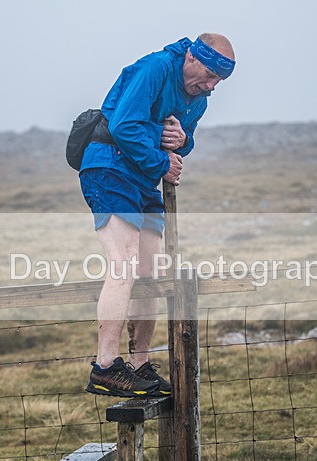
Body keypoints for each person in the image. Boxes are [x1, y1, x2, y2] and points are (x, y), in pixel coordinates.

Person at [79, 33, 235, 397]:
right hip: (110, 166)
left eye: (219, 81)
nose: (211, 86)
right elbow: (123, 126)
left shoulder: (199, 98)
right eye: (209, 75)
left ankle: (138, 364)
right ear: (192, 58)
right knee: (125, 262)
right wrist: (162, 161)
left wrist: (183, 142)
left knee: (151, 271)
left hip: (144, 178)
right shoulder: (156, 68)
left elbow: (183, 141)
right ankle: (105, 367)